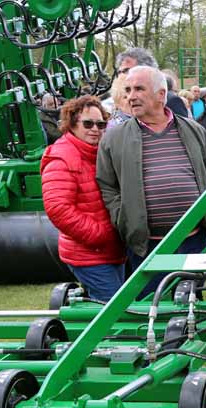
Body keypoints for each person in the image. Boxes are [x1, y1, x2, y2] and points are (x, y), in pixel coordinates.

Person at [96, 66, 206, 298]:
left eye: (139, 89)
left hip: (193, 241)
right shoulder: (114, 138)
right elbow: (107, 184)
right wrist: (123, 218)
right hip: (146, 245)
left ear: (161, 95)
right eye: (128, 90)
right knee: (151, 310)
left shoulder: (194, 130)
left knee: (191, 305)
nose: (131, 96)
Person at [41, 96, 125, 301]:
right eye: (87, 123)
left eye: (101, 124)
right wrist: (100, 234)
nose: (95, 129)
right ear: (72, 124)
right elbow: (58, 208)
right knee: (114, 311)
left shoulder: (99, 153)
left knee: (117, 305)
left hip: (112, 250)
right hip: (91, 254)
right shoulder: (63, 157)